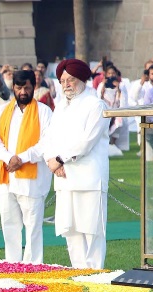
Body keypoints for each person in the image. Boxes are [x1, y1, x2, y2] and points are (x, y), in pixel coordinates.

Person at [37, 59, 110, 269]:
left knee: (92, 229)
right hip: (64, 178)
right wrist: (52, 160)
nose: (66, 84)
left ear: (82, 79)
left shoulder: (96, 105)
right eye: (62, 81)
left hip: (89, 177)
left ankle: (95, 272)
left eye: (70, 80)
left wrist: (60, 159)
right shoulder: (60, 107)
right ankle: (78, 270)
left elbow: (87, 141)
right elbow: (48, 138)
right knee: (70, 229)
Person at [0, 70, 53, 263]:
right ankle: (12, 263)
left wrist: (22, 159)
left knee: (33, 226)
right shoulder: (2, 111)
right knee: (9, 225)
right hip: (7, 177)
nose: (23, 91)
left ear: (34, 87)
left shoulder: (44, 112)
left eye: (26, 87)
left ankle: (33, 266)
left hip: (31, 180)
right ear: (13, 88)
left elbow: (46, 143)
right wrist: (10, 159)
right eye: (19, 87)